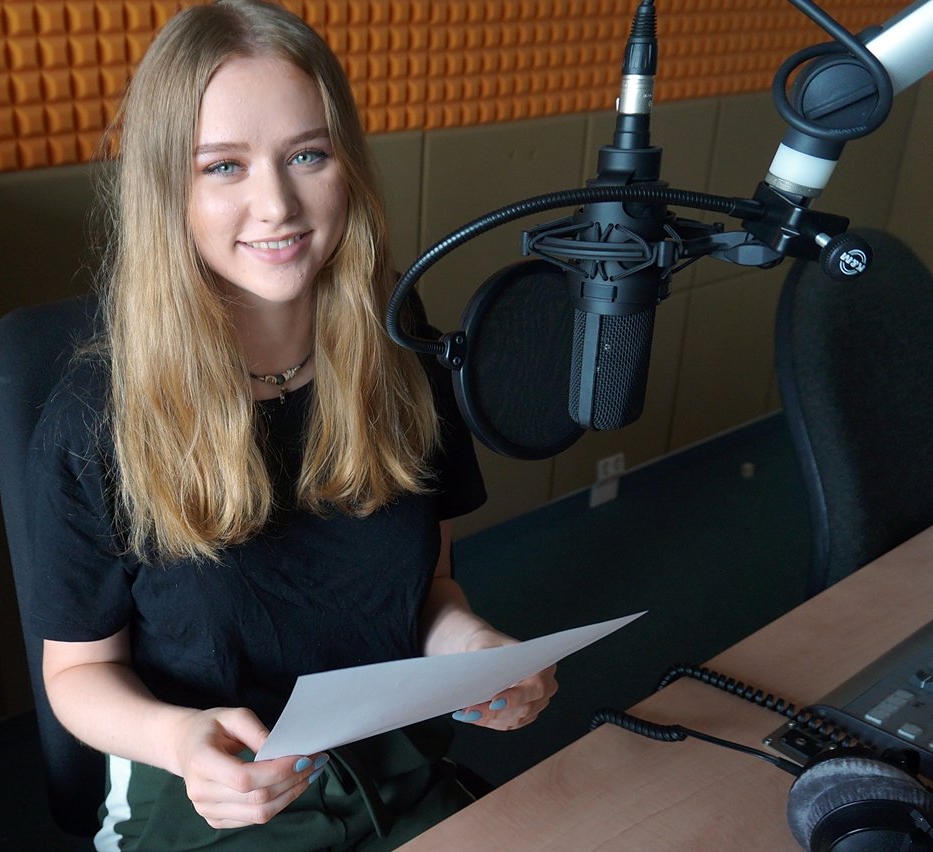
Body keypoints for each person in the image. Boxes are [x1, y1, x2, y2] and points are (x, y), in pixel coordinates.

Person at [27, 1, 558, 848]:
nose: (276, 203)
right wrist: (180, 741)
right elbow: (79, 674)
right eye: (223, 167)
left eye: (307, 155)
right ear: (168, 189)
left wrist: (472, 649)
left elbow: (429, 587)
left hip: (395, 768)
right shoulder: (93, 419)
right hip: (208, 796)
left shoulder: (402, 353)